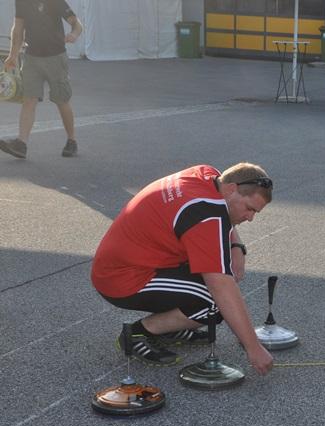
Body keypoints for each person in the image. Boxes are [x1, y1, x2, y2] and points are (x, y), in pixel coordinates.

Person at [91, 162, 275, 375]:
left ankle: (171, 328)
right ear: (232, 189)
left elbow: (219, 210)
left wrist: (236, 245)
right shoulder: (205, 215)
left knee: (212, 280)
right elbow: (221, 286)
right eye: (249, 209)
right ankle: (137, 333)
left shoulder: (208, 175)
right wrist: (253, 347)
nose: (250, 218)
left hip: (130, 261)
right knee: (214, 303)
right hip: (120, 278)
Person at [0, 0, 82, 160]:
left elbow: (76, 23)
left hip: (56, 57)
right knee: (29, 99)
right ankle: (21, 144)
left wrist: (74, 34)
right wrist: (13, 55)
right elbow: (18, 28)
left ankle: (72, 140)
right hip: (31, 57)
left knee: (61, 100)